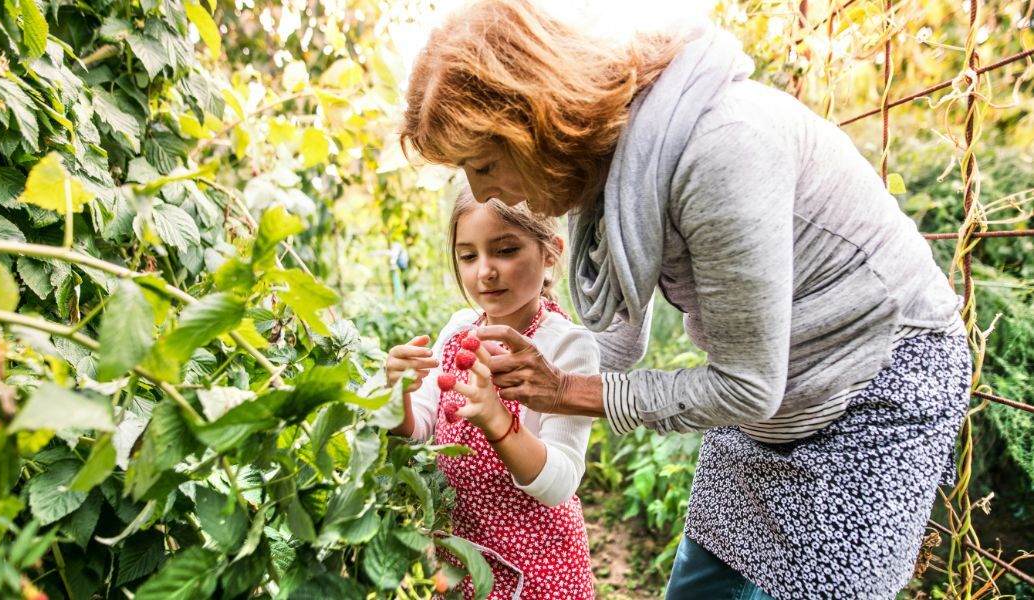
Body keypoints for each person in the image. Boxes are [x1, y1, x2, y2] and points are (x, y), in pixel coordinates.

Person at [398, 1, 971, 598]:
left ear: (534, 122)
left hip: (873, 386)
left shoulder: (720, 149)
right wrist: (540, 364)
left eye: (484, 164)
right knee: (706, 582)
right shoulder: (609, 164)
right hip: (765, 393)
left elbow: (745, 384)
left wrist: (565, 390)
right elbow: (618, 342)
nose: (483, 191)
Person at [386, 189, 599, 599]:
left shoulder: (566, 348)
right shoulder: (457, 331)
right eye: (468, 256)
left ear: (550, 252)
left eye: (504, 250)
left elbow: (559, 484)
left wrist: (497, 418)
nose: (485, 271)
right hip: (464, 554)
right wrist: (396, 395)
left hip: (541, 568)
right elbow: (418, 428)